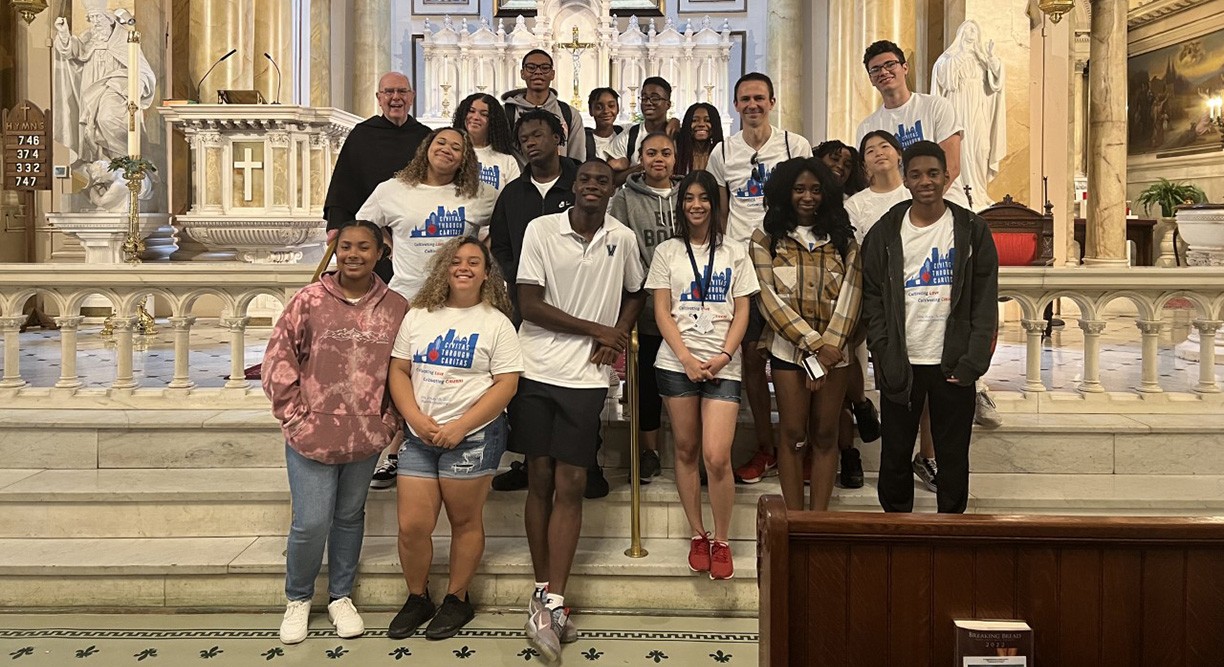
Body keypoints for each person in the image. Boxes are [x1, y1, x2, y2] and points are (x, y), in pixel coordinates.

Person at [514, 159, 646, 664]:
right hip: (534, 367)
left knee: (571, 482)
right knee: (539, 478)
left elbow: (635, 292)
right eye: (587, 180)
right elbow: (529, 303)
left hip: (585, 378)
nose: (594, 187)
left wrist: (620, 330)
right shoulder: (541, 229)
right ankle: (542, 589)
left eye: (603, 182)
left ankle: (554, 601)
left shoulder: (623, 238)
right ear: (574, 186)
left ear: (614, 189)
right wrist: (599, 331)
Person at [262, 220, 410, 645]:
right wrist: (293, 416)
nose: (354, 255)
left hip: (365, 434)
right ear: (336, 250)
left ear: (380, 252)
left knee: (348, 518)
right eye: (346, 247)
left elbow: (403, 370)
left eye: (364, 247)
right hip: (311, 432)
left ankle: (341, 596)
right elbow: (278, 360)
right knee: (310, 522)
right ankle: (299, 597)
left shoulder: (396, 306)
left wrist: (389, 422)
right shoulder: (309, 300)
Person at [386, 237, 523, 640]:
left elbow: (507, 384)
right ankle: (417, 597)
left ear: (486, 273)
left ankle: (457, 599)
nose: (464, 267)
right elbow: (398, 370)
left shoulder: (495, 322)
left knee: (464, 521)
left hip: (473, 436)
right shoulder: (418, 316)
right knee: (412, 526)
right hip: (420, 434)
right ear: (444, 268)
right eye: (456, 261)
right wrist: (414, 417)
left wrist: (460, 426)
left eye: (474, 262)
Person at [860, 141, 998, 514]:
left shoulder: (972, 230)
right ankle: (897, 531)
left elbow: (984, 300)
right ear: (905, 179)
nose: (925, 181)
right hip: (902, 362)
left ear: (947, 177)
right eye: (917, 174)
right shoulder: (885, 231)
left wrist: (973, 360)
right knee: (895, 456)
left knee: (952, 457)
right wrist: (883, 351)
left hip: (952, 362)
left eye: (933, 173)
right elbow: (871, 297)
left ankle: (950, 529)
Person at [358, 128, 497, 486]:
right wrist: (390, 246)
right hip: (406, 298)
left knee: (439, 373)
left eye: (457, 147)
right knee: (397, 374)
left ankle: (443, 439)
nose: (447, 150)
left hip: (457, 304)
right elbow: (365, 226)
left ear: (466, 157)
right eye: (441, 143)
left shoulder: (479, 194)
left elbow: (502, 226)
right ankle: (391, 451)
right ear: (426, 148)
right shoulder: (393, 190)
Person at [489, 110, 616, 499]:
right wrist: (522, 274)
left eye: (537, 135)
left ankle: (587, 464)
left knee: (581, 389)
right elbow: (501, 244)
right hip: (529, 302)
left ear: (558, 136)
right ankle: (532, 464)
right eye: (524, 137)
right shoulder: (513, 193)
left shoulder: (583, 180)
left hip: (584, 303)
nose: (530, 142)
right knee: (531, 392)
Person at [646, 169, 757, 579]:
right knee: (687, 451)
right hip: (678, 364)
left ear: (714, 203)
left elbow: (743, 308)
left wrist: (726, 355)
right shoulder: (668, 252)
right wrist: (687, 359)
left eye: (703, 198)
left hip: (723, 364)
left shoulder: (734, 252)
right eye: (689, 198)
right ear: (681, 205)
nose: (696, 205)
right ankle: (698, 533)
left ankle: (723, 539)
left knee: (717, 455)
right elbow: (661, 311)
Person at [707, 72, 813, 485]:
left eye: (759, 98)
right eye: (745, 99)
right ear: (735, 105)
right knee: (751, 357)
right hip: (742, 263)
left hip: (786, 260)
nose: (752, 105)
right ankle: (767, 447)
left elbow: (807, 200)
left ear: (772, 101)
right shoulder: (723, 152)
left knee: (797, 352)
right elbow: (720, 209)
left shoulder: (794, 145)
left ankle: (798, 445)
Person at [751, 158, 861, 512]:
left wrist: (830, 347)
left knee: (826, 435)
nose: (808, 196)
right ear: (785, 192)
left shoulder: (843, 239)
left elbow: (852, 292)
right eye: (799, 189)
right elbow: (767, 298)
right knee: (794, 435)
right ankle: (795, 521)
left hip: (836, 351)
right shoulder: (765, 238)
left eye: (815, 189)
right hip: (788, 352)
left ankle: (820, 520)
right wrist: (813, 345)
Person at [847, 130, 939, 490]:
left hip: (919, 296)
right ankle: (888, 452)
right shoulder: (857, 204)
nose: (878, 153)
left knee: (925, 378)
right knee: (879, 373)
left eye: (884, 146)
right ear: (864, 163)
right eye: (869, 150)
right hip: (874, 295)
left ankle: (927, 454)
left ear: (898, 154)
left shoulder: (914, 192)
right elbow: (853, 252)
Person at [609, 132, 680, 484]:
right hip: (647, 306)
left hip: (688, 308)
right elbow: (618, 246)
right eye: (651, 153)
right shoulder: (624, 199)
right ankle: (649, 451)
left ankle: (688, 452)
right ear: (640, 158)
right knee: (646, 386)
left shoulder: (688, 195)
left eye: (665, 153)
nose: (658, 159)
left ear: (674, 159)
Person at [325, 72, 432, 283]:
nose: (395, 97)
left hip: (414, 235)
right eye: (389, 92)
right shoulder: (362, 135)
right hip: (370, 235)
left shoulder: (425, 137)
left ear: (412, 96)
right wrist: (336, 225)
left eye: (402, 91)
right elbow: (343, 184)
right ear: (379, 98)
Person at [856, 40, 969, 209]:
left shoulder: (936, 106)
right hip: (894, 211)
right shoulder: (867, 127)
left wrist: (917, 207)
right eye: (876, 69)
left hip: (946, 205)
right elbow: (870, 178)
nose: (884, 72)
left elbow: (951, 166)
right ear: (871, 79)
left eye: (890, 64)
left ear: (905, 68)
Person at [52, 4, 156, 165]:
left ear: (108, 18)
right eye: (92, 18)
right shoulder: (89, 37)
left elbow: (141, 69)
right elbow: (70, 51)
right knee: (92, 128)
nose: (96, 22)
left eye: (98, 17)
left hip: (115, 87)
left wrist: (137, 86)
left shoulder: (124, 38)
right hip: (91, 85)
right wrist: (64, 33)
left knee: (107, 118)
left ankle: (126, 163)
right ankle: (103, 165)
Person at [931, 20, 1006, 211]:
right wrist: (958, 59)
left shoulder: (982, 59)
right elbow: (944, 80)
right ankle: (961, 194)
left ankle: (979, 192)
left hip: (978, 108)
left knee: (981, 147)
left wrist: (991, 61)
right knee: (961, 149)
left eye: (974, 30)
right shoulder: (949, 58)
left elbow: (996, 83)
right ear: (961, 35)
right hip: (957, 106)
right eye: (968, 30)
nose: (971, 33)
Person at [503, 49, 586, 162]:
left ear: (552, 74)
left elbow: (576, 158)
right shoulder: (507, 113)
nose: (538, 72)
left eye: (545, 68)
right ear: (522, 73)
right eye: (531, 67)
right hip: (519, 178)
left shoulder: (569, 114)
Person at [606, 76, 676, 183]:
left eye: (655, 98)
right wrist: (641, 168)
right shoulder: (628, 137)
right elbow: (612, 180)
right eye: (644, 98)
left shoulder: (677, 135)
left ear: (668, 104)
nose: (648, 103)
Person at [453, 93, 521, 193]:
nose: (475, 117)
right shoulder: (451, 152)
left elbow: (514, 197)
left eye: (484, 114)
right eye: (471, 111)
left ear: (494, 121)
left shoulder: (507, 161)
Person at [674, 103, 724, 177]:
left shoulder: (723, 155)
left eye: (707, 120)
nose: (701, 124)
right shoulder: (677, 152)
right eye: (694, 120)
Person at [585, 87, 624, 163]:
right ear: (591, 110)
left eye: (611, 106)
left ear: (618, 108)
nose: (606, 111)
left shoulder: (624, 135)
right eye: (599, 107)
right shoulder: (584, 140)